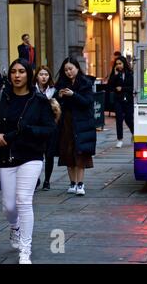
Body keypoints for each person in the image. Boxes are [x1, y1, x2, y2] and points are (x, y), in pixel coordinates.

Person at [0, 58, 56, 264]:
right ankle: (14, 226)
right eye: (14, 71)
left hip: (31, 156)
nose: (17, 75)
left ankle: (25, 250)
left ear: (29, 74)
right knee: (9, 206)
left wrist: (29, 131)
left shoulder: (39, 100)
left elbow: (50, 129)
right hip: (6, 156)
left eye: (21, 71)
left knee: (24, 201)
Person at [55, 57, 96, 196]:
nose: (68, 72)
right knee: (68, 153)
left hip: (82, 123)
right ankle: (72, 183)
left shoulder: (85, 83)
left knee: (80, 153)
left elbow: (87, 102)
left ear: (77, 68)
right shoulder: (61, 83)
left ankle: (80, 183)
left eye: (71, 69)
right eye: (66, 70)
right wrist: (59, 97)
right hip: (66, 123)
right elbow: (56, 105)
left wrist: (73, 95)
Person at [33, 66, 60, 190]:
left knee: (49, 155)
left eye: (46, 74)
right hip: (35, 126)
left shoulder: (54, 91)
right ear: (36, 76)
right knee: (36, 154)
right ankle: (35, 178)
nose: (43, 77)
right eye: (41, 74)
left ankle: (47, 181)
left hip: (50, 127)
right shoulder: (32, 90)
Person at [108, 56, 134, 148]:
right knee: (119, 119)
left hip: (128, 99)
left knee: (129, 118)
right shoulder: (115, 74)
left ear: (124, 63)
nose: (118, 65)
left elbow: (133, 87)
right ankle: (120, 139)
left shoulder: (130, 73)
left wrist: (122, 88)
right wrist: (114, 75)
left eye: (120, 63)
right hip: (118, 99)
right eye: (117, 64)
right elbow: (110, 86)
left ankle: (134, 132)